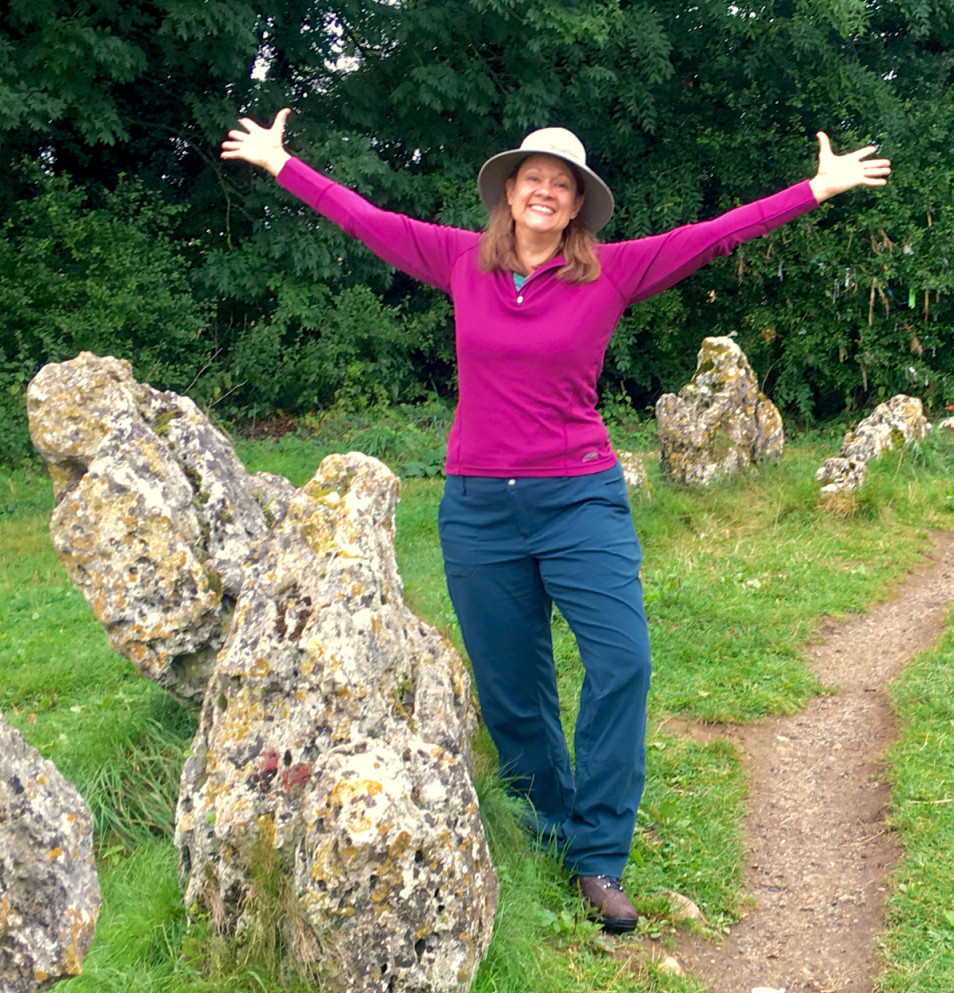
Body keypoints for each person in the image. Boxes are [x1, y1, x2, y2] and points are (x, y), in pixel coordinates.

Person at [221, 110, 890, 932]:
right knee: (513, 688)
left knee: (623, 661)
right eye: (532, 178)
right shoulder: (459, 259)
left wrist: (816, 189)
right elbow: (367, 220)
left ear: (577, 206)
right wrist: (283, 165)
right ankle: (548, 835)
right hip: (477, 509)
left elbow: (715, 234)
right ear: (509, 191)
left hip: (580, 497)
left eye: (562, 184)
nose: (545, 191)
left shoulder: (610, 271)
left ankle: (600, 856)